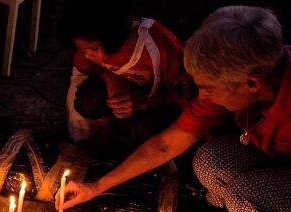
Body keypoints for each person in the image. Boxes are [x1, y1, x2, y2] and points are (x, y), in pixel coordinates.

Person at [60, 6, 291, 212]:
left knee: (245, 196)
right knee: (209, 162)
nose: (202, 97)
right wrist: (97, 186)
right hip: (290, 158)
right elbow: (168, 143)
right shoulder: (244, 71)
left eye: (208, 89)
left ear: (252, 83)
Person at [60, 0, 193, 145]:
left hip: (151, 97)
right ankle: (107, 130)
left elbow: (185, 93)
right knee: (88, 100)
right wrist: (112, 78)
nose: (86, 55)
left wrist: (141, 102)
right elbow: (84, 66)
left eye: (93, 49)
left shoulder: (161, 50)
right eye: (81, 49)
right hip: (120, 89)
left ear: (113, 38)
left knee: (148, 130)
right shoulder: (86, 40)